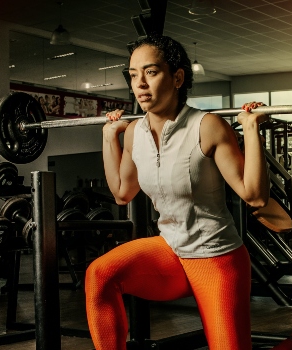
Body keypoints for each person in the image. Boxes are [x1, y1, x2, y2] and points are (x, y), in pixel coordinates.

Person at [85, 34, 275, 350]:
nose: (140, 84)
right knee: (99, 275)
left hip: (216, 258)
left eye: (151, 72)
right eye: (133, 76)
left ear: (177, 77)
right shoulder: (135, 132)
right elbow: (122, 192)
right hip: (170, 253)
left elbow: (254, 196)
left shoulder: (207, 126)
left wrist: (252, 129)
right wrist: (109, 139)